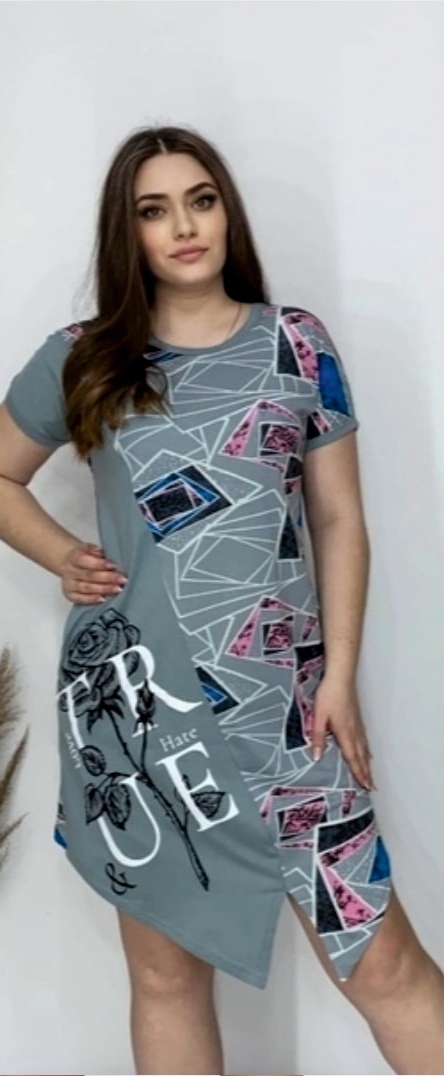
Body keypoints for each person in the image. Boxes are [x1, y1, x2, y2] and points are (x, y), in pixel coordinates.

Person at [0, 125, 442, 1076]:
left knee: (386, 965)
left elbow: (339, 521)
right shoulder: (84, 358)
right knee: (165, 978)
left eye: (200, 200)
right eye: (153, 210)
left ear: (226, 211)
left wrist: (340, 677)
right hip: (146, 716)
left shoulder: (296, 345)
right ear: (128, 233)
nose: (184, 226)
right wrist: (63, 553)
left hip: (292, 713)